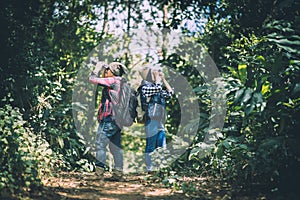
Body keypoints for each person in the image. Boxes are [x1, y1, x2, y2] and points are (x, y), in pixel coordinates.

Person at [89, 61, 127, 181]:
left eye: (107, 70)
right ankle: (118, 173)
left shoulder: (113, 80)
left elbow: (92, 79)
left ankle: (99, 173)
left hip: (109, 118)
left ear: (112, 72)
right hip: (118, 121)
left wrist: (97, 68)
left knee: (100, 144)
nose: (105, 72)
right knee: (115, 147)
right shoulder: (122, 82)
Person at [138, 65, 174, 173]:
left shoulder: (156, 86)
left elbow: (170, 93)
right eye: (154, 73)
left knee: (161, 145)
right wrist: (158, 80)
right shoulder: (145, 86)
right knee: (151, 144)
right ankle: (150, 168)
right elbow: (156, 89)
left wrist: (163, 79)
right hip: (151, 119)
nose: (156, 74)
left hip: (160, 120)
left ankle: (160, 168)